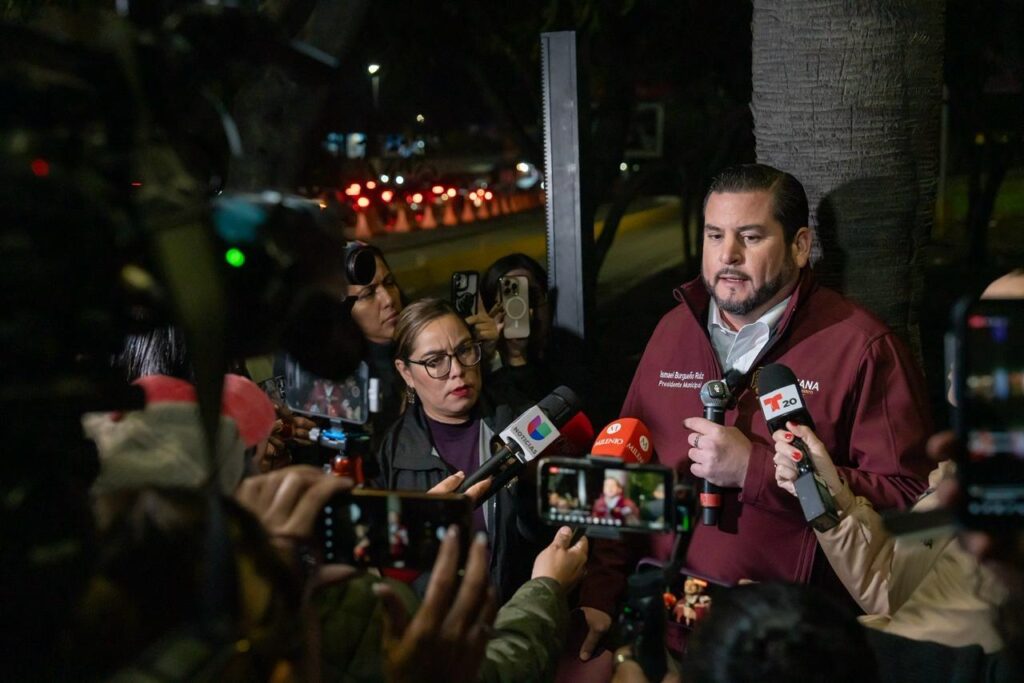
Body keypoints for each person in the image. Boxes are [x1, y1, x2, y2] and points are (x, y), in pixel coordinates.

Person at [576, 163, 934, 663]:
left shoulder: (861, 347)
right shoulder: (672, 331)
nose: (728, 255)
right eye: (715, 235)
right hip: (665, 636)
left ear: (800, 246)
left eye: (750, 236)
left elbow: (910, 499)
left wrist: (757, 471)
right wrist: (600, 590)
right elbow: (623, 471)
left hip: (784, 653)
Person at [767, 268, 1024, 653]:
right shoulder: (961, 467)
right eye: (981, 326)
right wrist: (823, 488)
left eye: (1007, 334)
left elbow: (936, 647)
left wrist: (793, 637)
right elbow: (891, 589)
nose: (974, 345)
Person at [370, 297, 541, 603]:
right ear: (406, 372)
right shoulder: (390, 456)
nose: (457, 370)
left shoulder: (522, 421)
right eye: (435, 361)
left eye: (464, 350)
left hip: (516, 615)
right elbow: (382, 568)